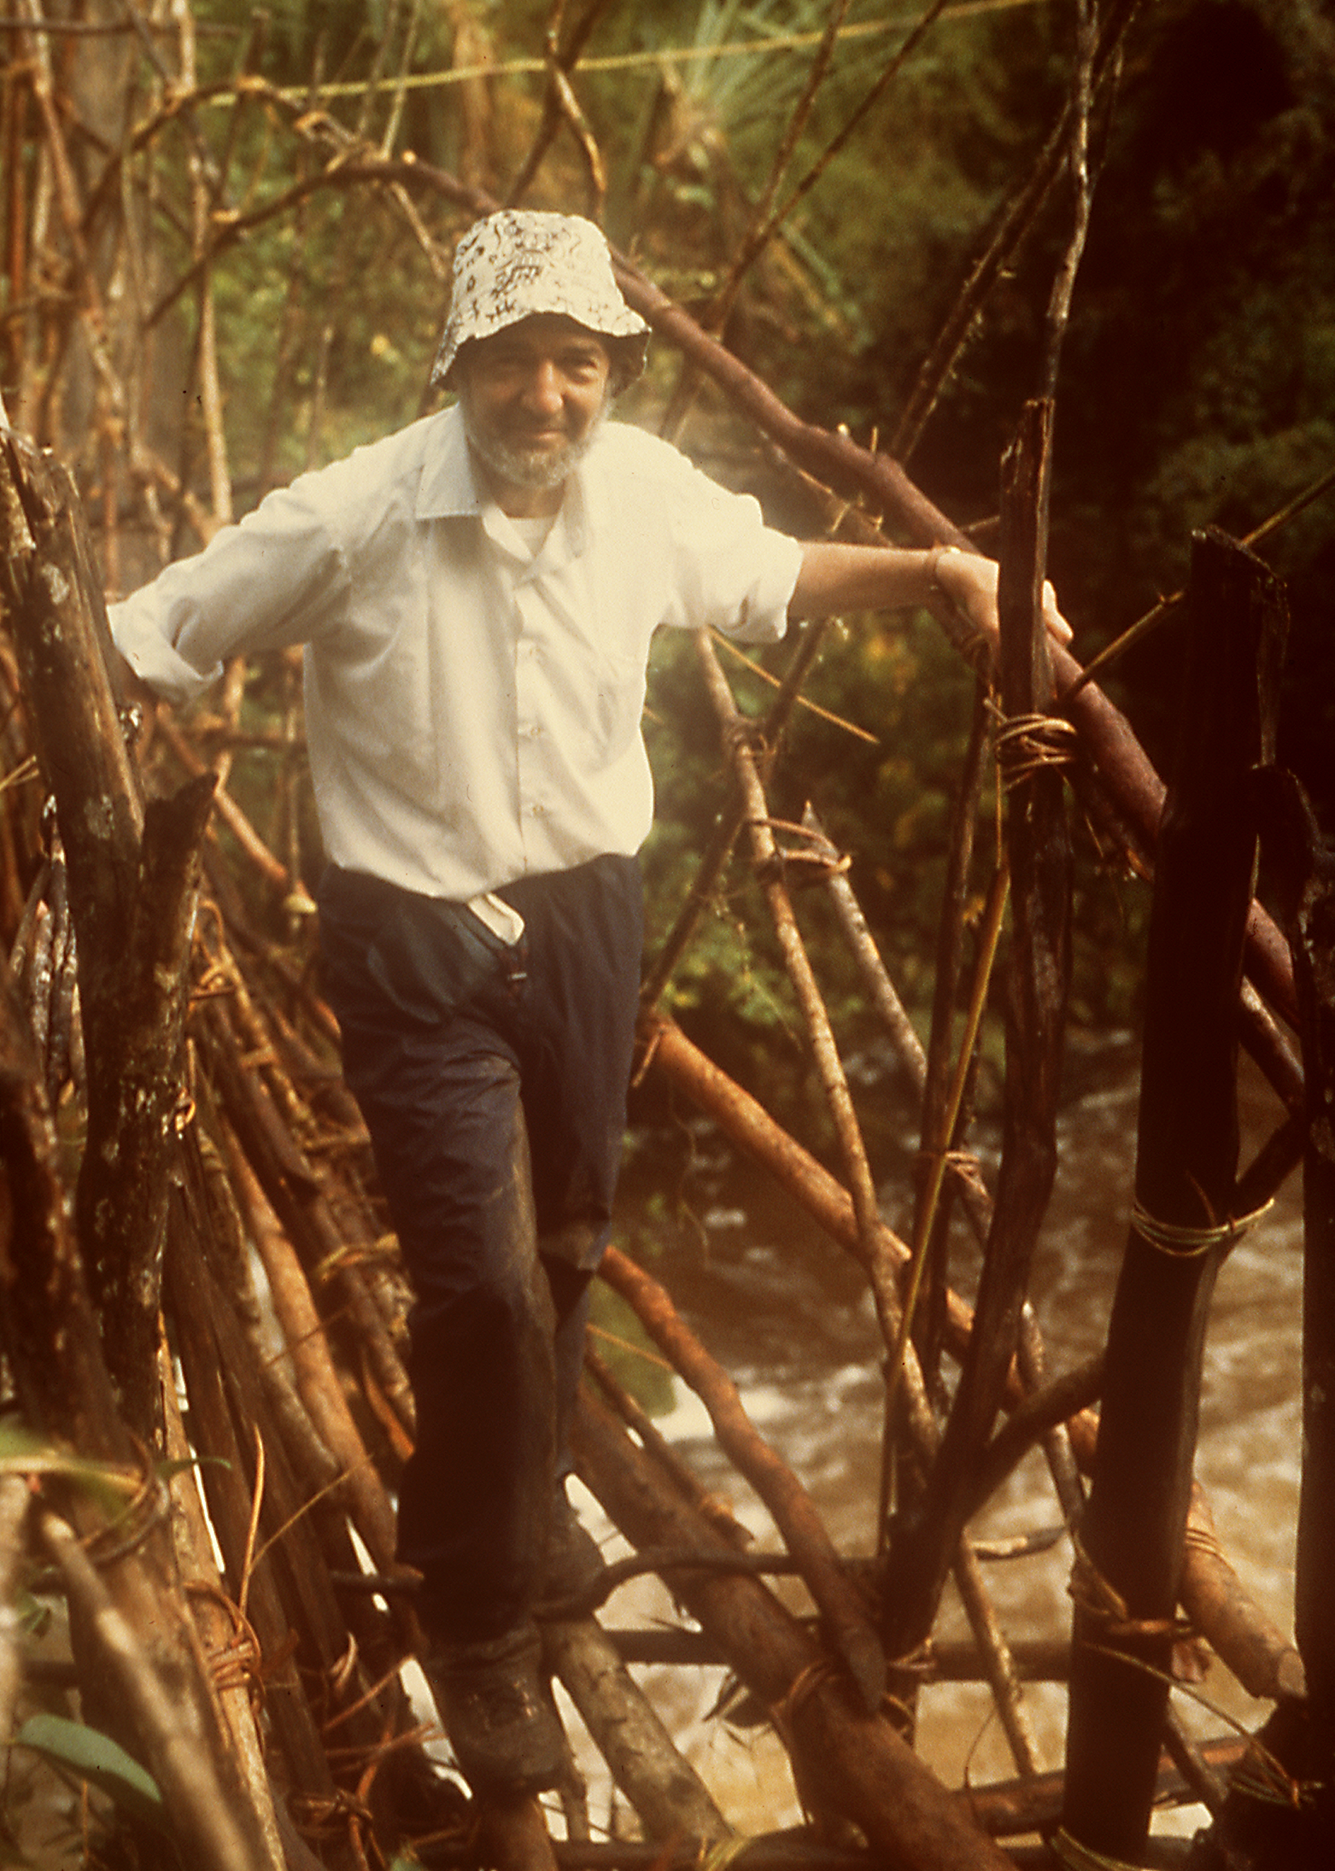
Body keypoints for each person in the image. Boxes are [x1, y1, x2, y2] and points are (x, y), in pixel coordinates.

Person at [109, 208, 1067, 1802]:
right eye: (513, 363)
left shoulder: (636, 491)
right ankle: (473, 1615)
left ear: (610, 373)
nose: (545, 397)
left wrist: (940, 572)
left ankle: (531, 1508)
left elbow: (766, 572)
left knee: (564, 1243)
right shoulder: (351, 514)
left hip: (582, 926)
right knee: (479, 1287)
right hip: (415, 938)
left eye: (577, 363)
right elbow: (150, 636)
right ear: (456, 366)